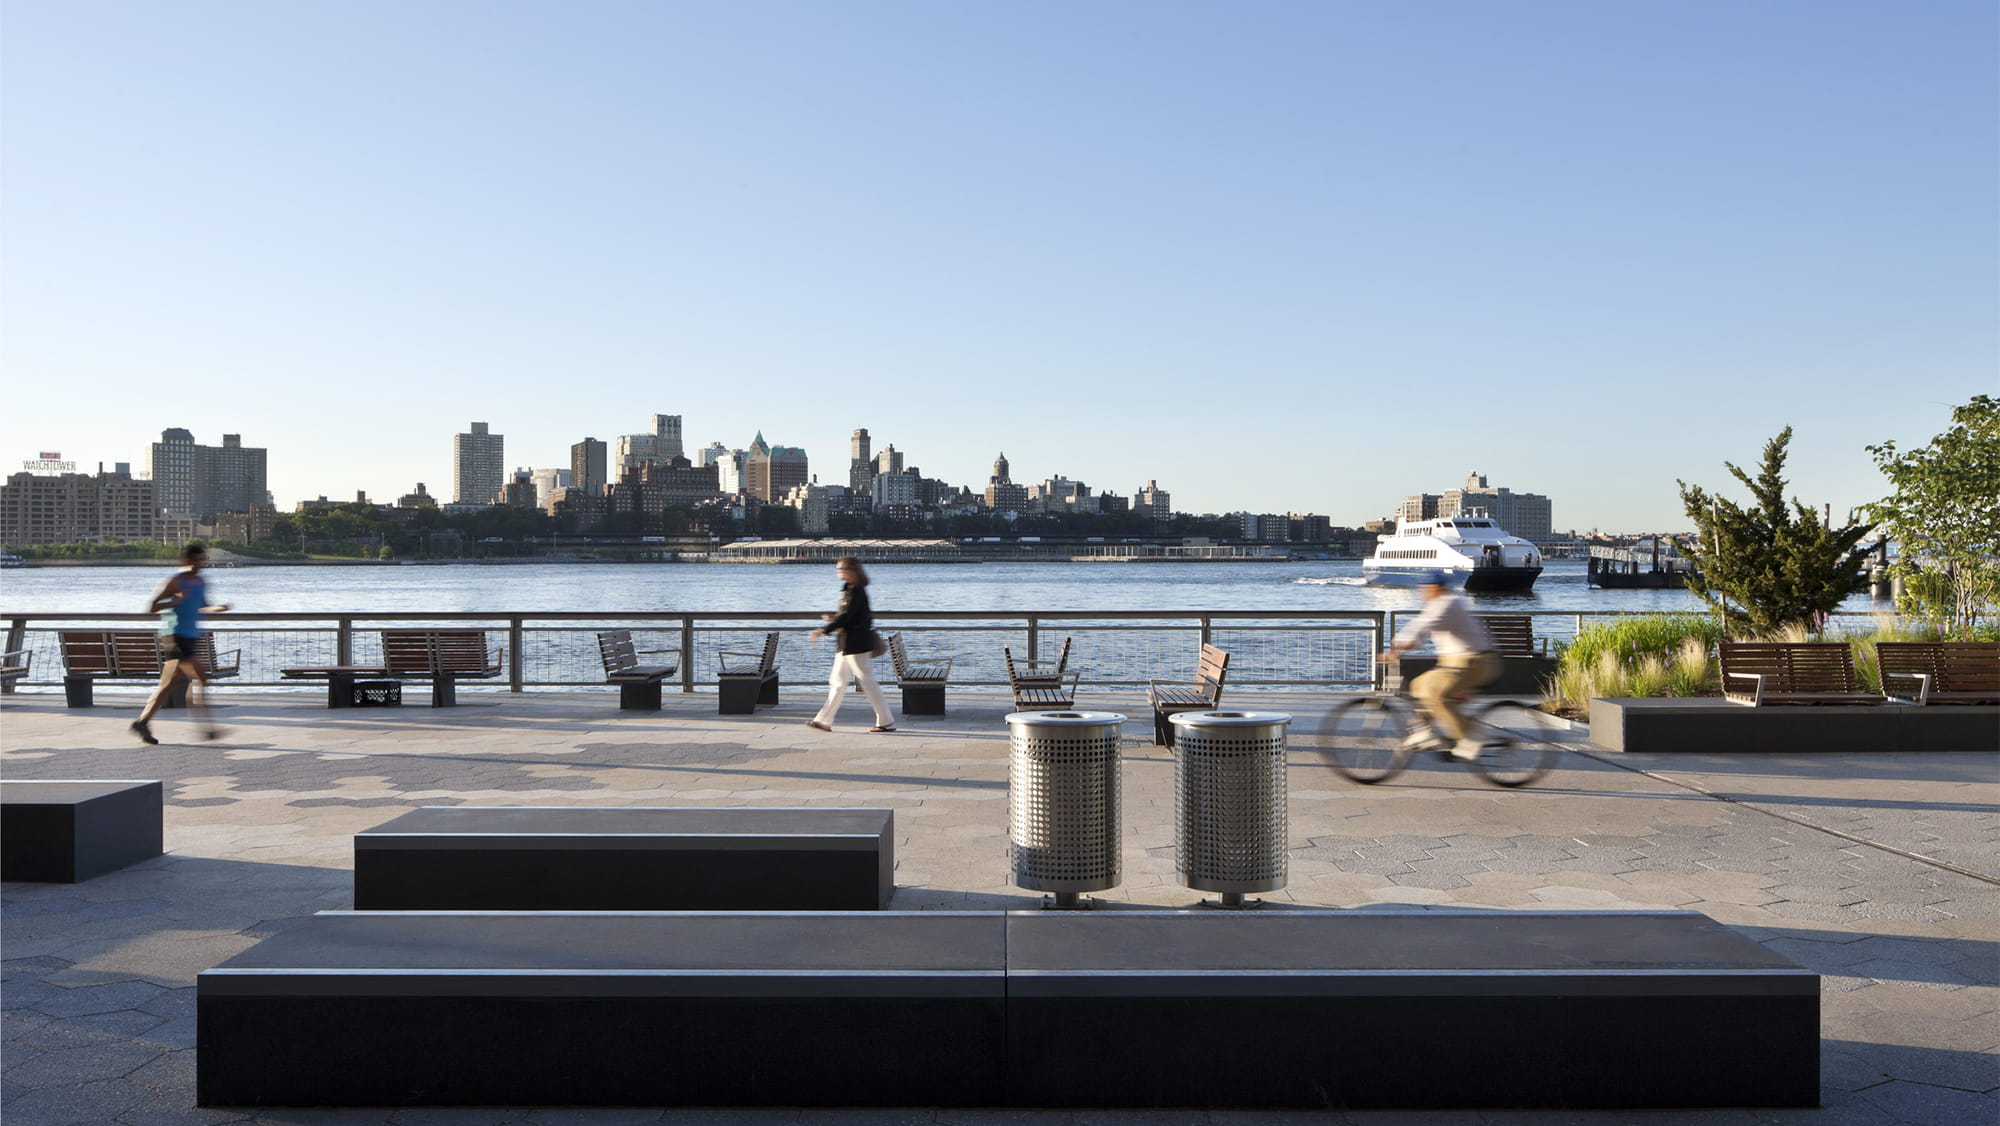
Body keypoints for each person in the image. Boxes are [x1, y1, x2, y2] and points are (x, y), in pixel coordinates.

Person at [1379, 570, 1499, 760]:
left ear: (1437, 588)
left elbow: (1425, 625)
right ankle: (1424, 730)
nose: (1422, 592)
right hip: (1455, 663)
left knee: (1438, 696)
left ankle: (1469, 737)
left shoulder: (1448, 603)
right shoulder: (1438, 605)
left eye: (1425, 588)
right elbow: (1420, 627)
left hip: (1475, 662)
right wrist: (1398, 646)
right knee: (1419, 685)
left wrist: (1398, 648)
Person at [131, 542, 231, 745]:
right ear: (186, 560)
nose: (199, 564)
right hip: (175, 637)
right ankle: (207, 728)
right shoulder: (175, 581)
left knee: (168, 684)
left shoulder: (200, 582)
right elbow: (152, 607)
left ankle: (142, 722)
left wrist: (218, 608)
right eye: (195, 560)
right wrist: (173, 601)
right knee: (200, 678)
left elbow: (202, 605)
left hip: (191, 637)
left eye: (201, 560)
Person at [804, 556, 896, 733]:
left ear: (852, 571)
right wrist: (834, 619)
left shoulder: (857, 592)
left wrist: (824, 629)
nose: (838, 571)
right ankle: (823, 720)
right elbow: (848, 616)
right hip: (846, 644)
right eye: (838, 568)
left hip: (856, 645)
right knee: (838, 682)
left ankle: (885, 720)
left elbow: (847, 617)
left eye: (841, 568)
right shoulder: (849, 590)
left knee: (866, 681)